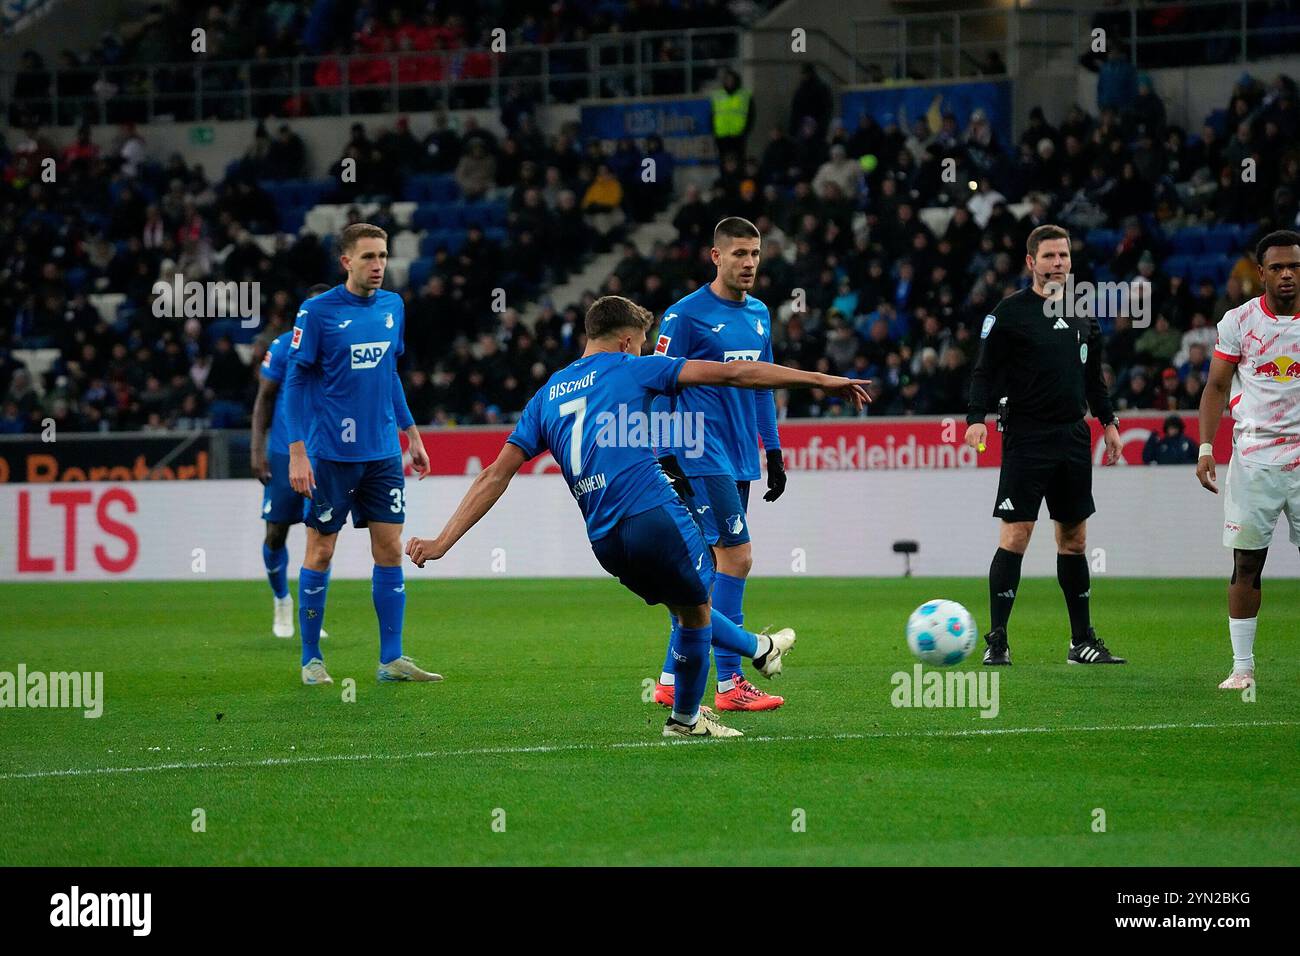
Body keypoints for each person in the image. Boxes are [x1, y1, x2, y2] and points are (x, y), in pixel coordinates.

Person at [405, 295, 870, 738]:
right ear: (627, 341)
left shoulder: (546, 395)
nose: (645, 348)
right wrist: (824, 381)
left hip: (605, 540)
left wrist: (442, 542)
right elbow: (736, 375)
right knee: (699, 608)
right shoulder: (635, 368)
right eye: (642, 340)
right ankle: (701, 705)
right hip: (653, 512)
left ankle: (751, 657)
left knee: (688, 607)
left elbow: (495, 475)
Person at [964, 224, 1126, 666]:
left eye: (1064, 256)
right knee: (1017, 535)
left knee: (1074, 539)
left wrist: (1109, 422)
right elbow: (985, 371)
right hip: (1026, 437)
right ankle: (997, 639)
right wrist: (976, 419)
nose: (1058, 264)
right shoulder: (1010, 312)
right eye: (1050, 256)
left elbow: (1094, 380)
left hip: (1073, 437)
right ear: (1031, 262)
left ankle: (1081, 642)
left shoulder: (1084, 316)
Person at [284, 223, 437, 686]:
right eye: (369, 256)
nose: (378, 265)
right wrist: (297, 452)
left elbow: (390, 374)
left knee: (389, 549)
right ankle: (312, 659)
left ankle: (391, 659)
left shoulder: (394, 307)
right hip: (331, 455)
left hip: (383, 454)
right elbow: (294, 382)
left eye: (384, 256)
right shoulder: (317, 313)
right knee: (322, 550)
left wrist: (411, 433)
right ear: (346, 261)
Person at [651, 217, 787, 712]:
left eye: (755, 254)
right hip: (697, 451)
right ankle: (730, 684)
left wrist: (771, 450)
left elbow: (763, 384)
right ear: (716, 256)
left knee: (709, 570)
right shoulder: (683, 316)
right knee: (738, 558)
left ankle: (671, 676)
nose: (749, 263)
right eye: (739, 254)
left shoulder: (759, 315)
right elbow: (658, 382)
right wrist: (665, 454)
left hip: (738, 456)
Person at [1196, 230, 1300, 691]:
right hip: (1255, 457)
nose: (1286, 274)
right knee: (1246, 564)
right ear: (1260, 273)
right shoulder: (1238, 322)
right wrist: (1204, 447)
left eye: (1294, 267)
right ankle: (1242, 668)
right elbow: (1216, 387)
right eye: (1277, 267)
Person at [251, 283, 332, 638]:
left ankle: (311, 614)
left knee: (322, 537)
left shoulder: (341, 347)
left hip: (326, 455)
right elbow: (264, 398)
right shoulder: (285, 346)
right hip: (285, 452)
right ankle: (281, 600)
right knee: (275, 533)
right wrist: (257, 449)